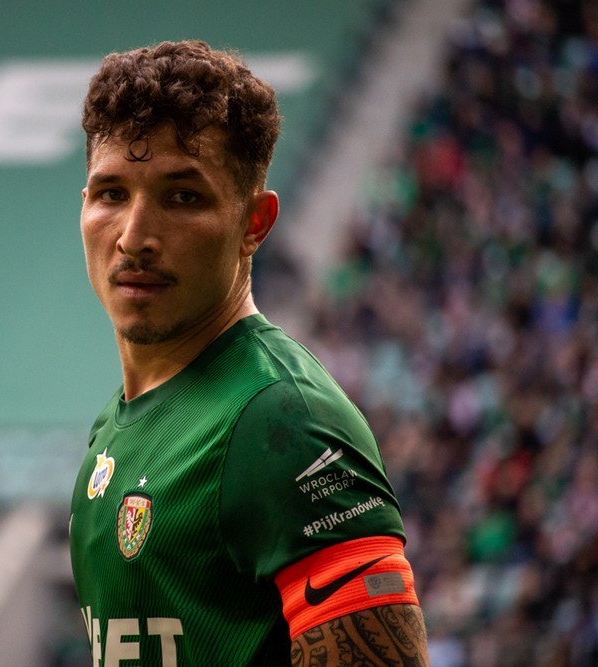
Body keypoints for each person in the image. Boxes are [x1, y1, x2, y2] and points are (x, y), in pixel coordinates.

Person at [68, 40, 430, 666]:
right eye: (112, 194)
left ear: (254, 223)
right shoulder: (114, 426)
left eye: (183, 197)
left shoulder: (281, 421)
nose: (135, 236)